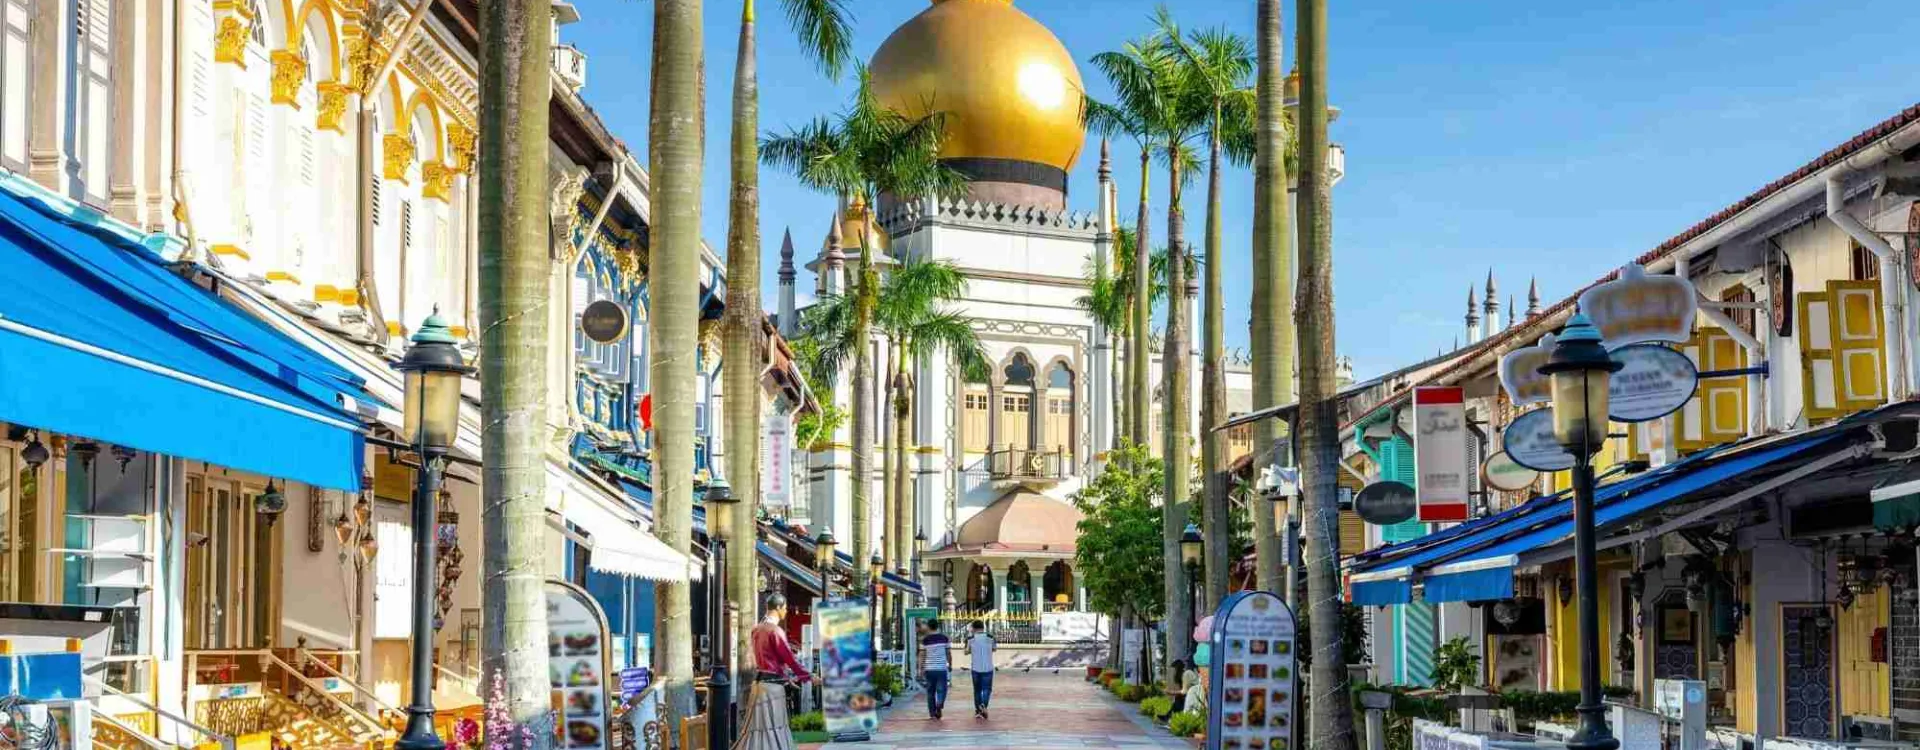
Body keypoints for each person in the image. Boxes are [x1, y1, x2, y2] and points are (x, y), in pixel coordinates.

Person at [739, 593, 812, 750]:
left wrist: (788, 678)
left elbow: (769, 658)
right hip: (772, 688)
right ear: (778, 608)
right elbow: (789, 659)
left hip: (759, 684)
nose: (786, 611)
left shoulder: (756, 629)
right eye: (785, 608)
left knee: (757, 730)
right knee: (774, 729)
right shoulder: (775, 631)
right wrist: (807, 676)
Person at [918, 619, 953, 719]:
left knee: (930, 692)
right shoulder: (944, 638)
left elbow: (921, 655)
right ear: (937, 626)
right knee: (942, 689)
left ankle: (932, 714)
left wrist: (920, 669)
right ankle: (940, 703)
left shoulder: (925, 640)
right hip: (941, 668)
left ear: (929, 627)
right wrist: (950, 664)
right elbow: (948, 653)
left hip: (929, 669)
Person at [965, 620, 996, 719]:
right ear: (983, 627)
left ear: (973, 628)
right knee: (987, 689)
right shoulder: (990, 637)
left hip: (976, 668)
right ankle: (984, 705)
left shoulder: (971, 638)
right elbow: (994, 649)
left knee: (977, 690)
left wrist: (971, 649)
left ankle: (978, 710)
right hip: (988, 668)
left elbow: (966, 651)